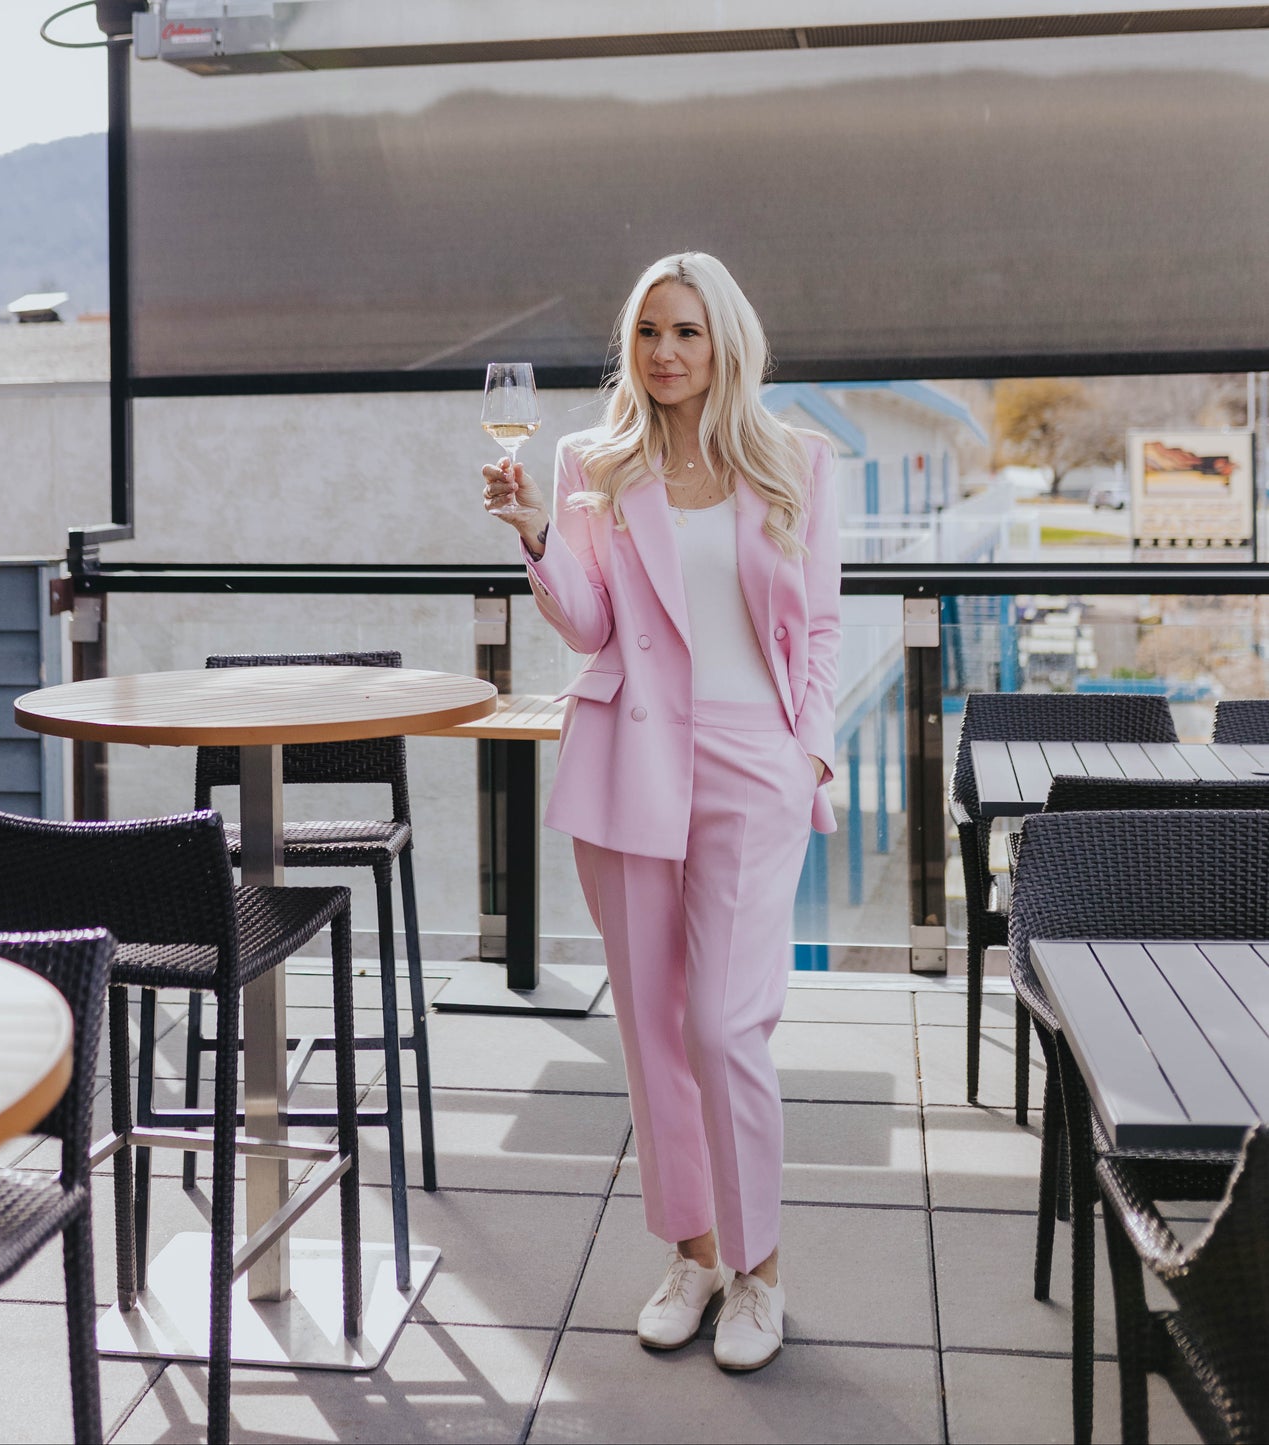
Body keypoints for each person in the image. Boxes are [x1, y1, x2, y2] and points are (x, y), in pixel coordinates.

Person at [480, 251, 841, 1373]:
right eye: (647, 333)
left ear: (723, 340)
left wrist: (808, 755)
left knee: (725, 1026)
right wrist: (536, 531)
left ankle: (758, 1270)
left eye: (685, 331)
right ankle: (690, 1253)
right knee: (649, 1031)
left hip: (752, 762)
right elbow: (588, 626)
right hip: (627, 756)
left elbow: (820, 629)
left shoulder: (797, 462)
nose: (665, 352)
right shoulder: (594, 461)